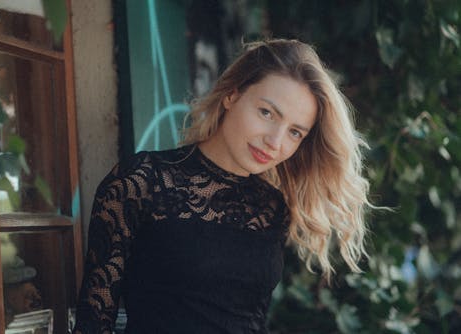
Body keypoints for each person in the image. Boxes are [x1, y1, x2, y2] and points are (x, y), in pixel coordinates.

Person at [72, 38, 371, 333]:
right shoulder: (141, 181)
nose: (275, 142)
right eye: (267, 113)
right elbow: (94, 322)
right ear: (232, 95)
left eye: (295, 132)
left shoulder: (271, 208)